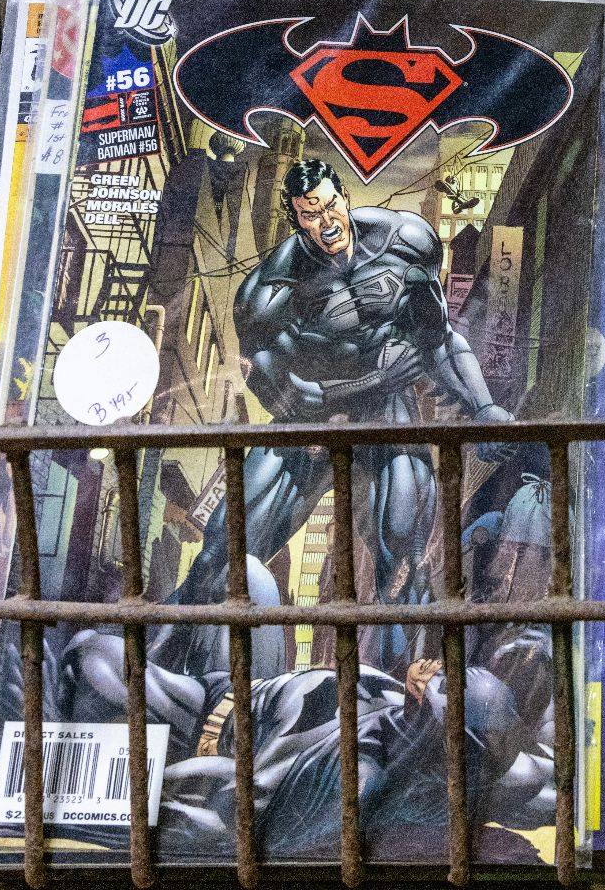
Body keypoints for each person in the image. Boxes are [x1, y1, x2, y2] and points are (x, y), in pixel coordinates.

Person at [163, 158, 513, 676]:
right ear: (294, 218)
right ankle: (163, 666)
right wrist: (370, 381)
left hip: (386, 418)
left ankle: (397, 700)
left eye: (331, 206)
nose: (327, 223)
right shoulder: (267, 293)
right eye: (311, 214)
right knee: (224, 547)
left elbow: (438, 340)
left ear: (343, 198)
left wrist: (483, 408)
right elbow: (287, 393)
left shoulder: (405, 241)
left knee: (406, 562)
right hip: (310, 428)